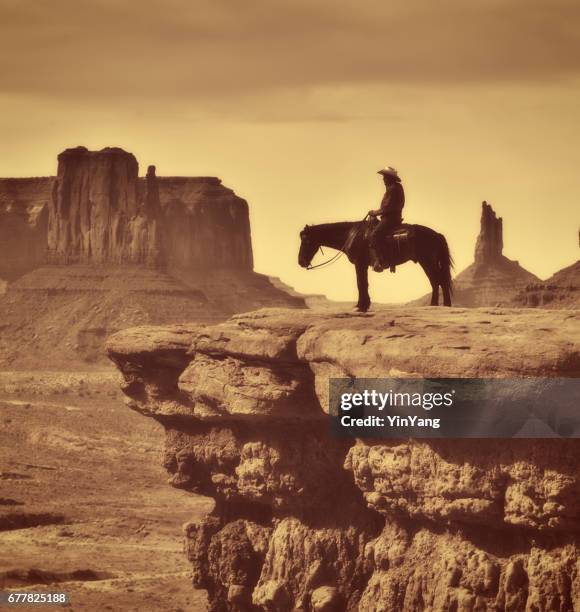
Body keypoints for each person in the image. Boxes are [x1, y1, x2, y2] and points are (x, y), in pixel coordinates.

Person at [368, 166, 405, 272]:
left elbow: (386, 208)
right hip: (393, 217)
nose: (383, 179)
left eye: (385, 177)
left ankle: (381, 261)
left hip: (390, 219)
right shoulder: (396, 187)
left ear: (390, 178)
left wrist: (374, 213)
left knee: (374, 235)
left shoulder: (393, 189)